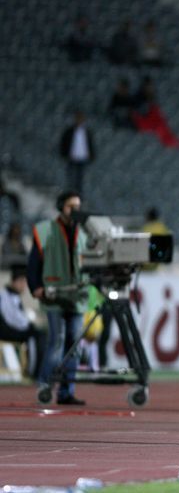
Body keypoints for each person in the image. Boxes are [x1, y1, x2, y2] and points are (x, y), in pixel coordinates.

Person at [27, 190, 89, 405]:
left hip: (77, 296)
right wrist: (35, 286)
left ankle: (66, 392)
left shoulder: (85, 232)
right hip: (54, 295)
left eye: (78, 207)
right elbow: (34, 262)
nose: (75, 211)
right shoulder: (45, 230)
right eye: (72, 206)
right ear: (61, 207)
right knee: (57, 342)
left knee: (74, 346)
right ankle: (45, 386)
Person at [0, 264, 46, 379]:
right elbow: (11, 318)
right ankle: (34, 372)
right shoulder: (4, 296)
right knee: (34, 335)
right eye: (21, 282)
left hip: (12, 328)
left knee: (39, 333)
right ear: (14, 282)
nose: (24, 286)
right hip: (6, 330)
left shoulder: (15, 297)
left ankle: (39, 369)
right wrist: (29, 325)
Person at [59, 111, 96, 195]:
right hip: (72, 156)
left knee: (80, 178)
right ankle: (69, 192)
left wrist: (91, 155)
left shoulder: (87, 132)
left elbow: (90, 144)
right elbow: (64, 142)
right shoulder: (70, 131)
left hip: (82, 157)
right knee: (70, 175)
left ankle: (78, 194)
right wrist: (64, 153)